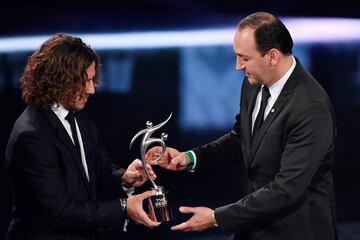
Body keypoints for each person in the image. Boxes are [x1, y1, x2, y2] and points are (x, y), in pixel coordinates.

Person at [146, 12, 337, 240]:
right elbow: (242, 138)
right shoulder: (253, 84)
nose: (238, 66)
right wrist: (189, 158)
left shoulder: (310, 107)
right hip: (253, 228)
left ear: (272, 56)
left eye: (244, 58)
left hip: (295, 231)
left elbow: (286, 190)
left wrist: (218, 217)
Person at [5, 33, 160, 240]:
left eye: (92, 79)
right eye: (84, 81)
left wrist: (124, 178)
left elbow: (95, 170)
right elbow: (60, 212)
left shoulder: (78, 116)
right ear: (58, 79)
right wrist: (123, 207)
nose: (91, 90)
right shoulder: (32, 135)